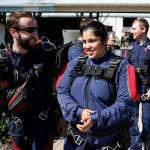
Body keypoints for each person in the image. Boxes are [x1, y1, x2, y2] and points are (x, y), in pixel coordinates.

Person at [57, 21, 141, 150]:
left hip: (107, 142)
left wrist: (95, 118)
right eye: (84, 42)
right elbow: (62, 92)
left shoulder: (121, 66)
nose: (87, 46)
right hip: (75, 142)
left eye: (92, 41)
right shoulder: (75, 63)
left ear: (105, 40)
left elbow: (125, 103)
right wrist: (79, 113)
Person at [3, 11, 56, 150]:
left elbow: (62, 86)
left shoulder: (47, 54)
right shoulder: (4, 60)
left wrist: (62, 116)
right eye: (30, 30)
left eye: (36, 28)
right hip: (17, 127)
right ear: (13, 32)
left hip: (43, 126)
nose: (35, 34)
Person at [129, 18, 150, 150]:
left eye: (134, 28)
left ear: (143, 29)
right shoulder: (133, 46)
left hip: (147, 89)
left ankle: (147, 144)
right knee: (132, 119)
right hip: (134, 88)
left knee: (147, 121)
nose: (131, 31)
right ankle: (135, 146)